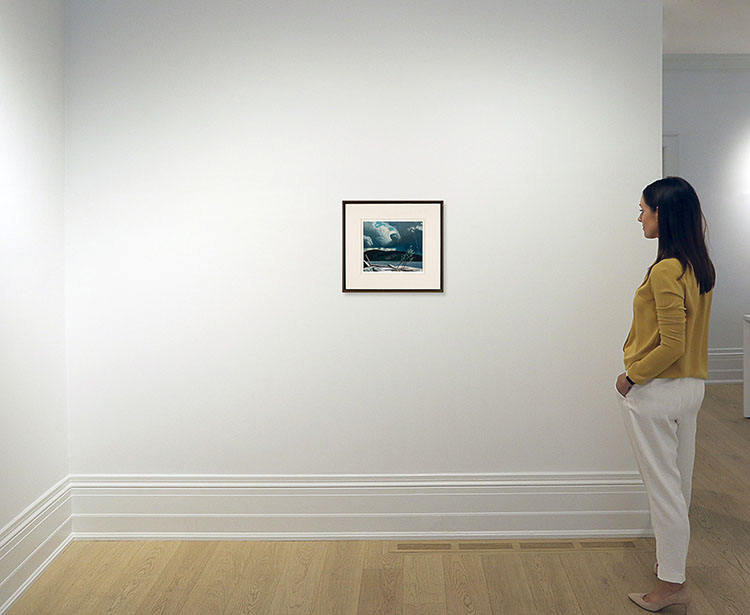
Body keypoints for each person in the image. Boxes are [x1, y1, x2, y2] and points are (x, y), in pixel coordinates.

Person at [615, 176, 715, 613]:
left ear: (663, 213)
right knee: (680, 485)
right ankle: (670, 567)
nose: (639, 216)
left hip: (658, 391)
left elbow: (671, 343)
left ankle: (671, 584)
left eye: (643, 209)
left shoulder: (665, 269)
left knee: (664, 491)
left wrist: (632, 376)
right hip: (691, 389)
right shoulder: (698, 266)